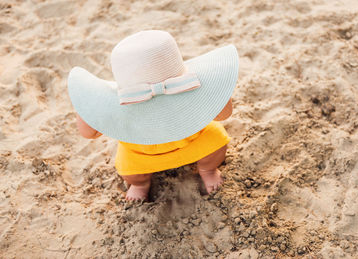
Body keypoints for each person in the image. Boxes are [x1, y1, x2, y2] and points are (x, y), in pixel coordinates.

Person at [68, 30, 239, 201]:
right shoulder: (126, 104)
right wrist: (85, 106)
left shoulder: (189, 90)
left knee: (216, 141)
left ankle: (207, 170)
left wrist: (215, 90)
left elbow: (223, 115)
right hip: (143, 155)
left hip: (193, 142)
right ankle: (140, 184)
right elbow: (90, 133)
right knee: (132, 172)